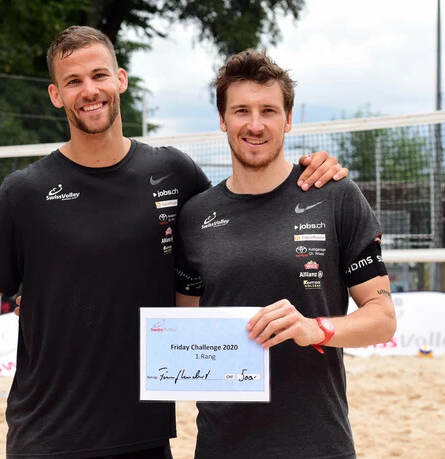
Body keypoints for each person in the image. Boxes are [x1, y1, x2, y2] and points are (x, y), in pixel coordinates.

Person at [0, 26, 346, 459]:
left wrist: (308, 172)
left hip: (146, 438)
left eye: (99, 75)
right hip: (48, 438)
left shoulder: (175, 173)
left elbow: (240, 220)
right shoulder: (23, 193)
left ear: (120, 79)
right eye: (73, 81)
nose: (90, 90)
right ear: (55, 95)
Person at [175, 49, 397, 458]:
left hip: (317, 443)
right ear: (223, 119)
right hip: (222, 445)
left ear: (288, 118)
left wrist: (315, 329)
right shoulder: (195, 215)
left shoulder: (335, 196)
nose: (255, 125)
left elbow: (382, 319)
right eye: (241, 111)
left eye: (269, 111)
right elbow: (184, 324)